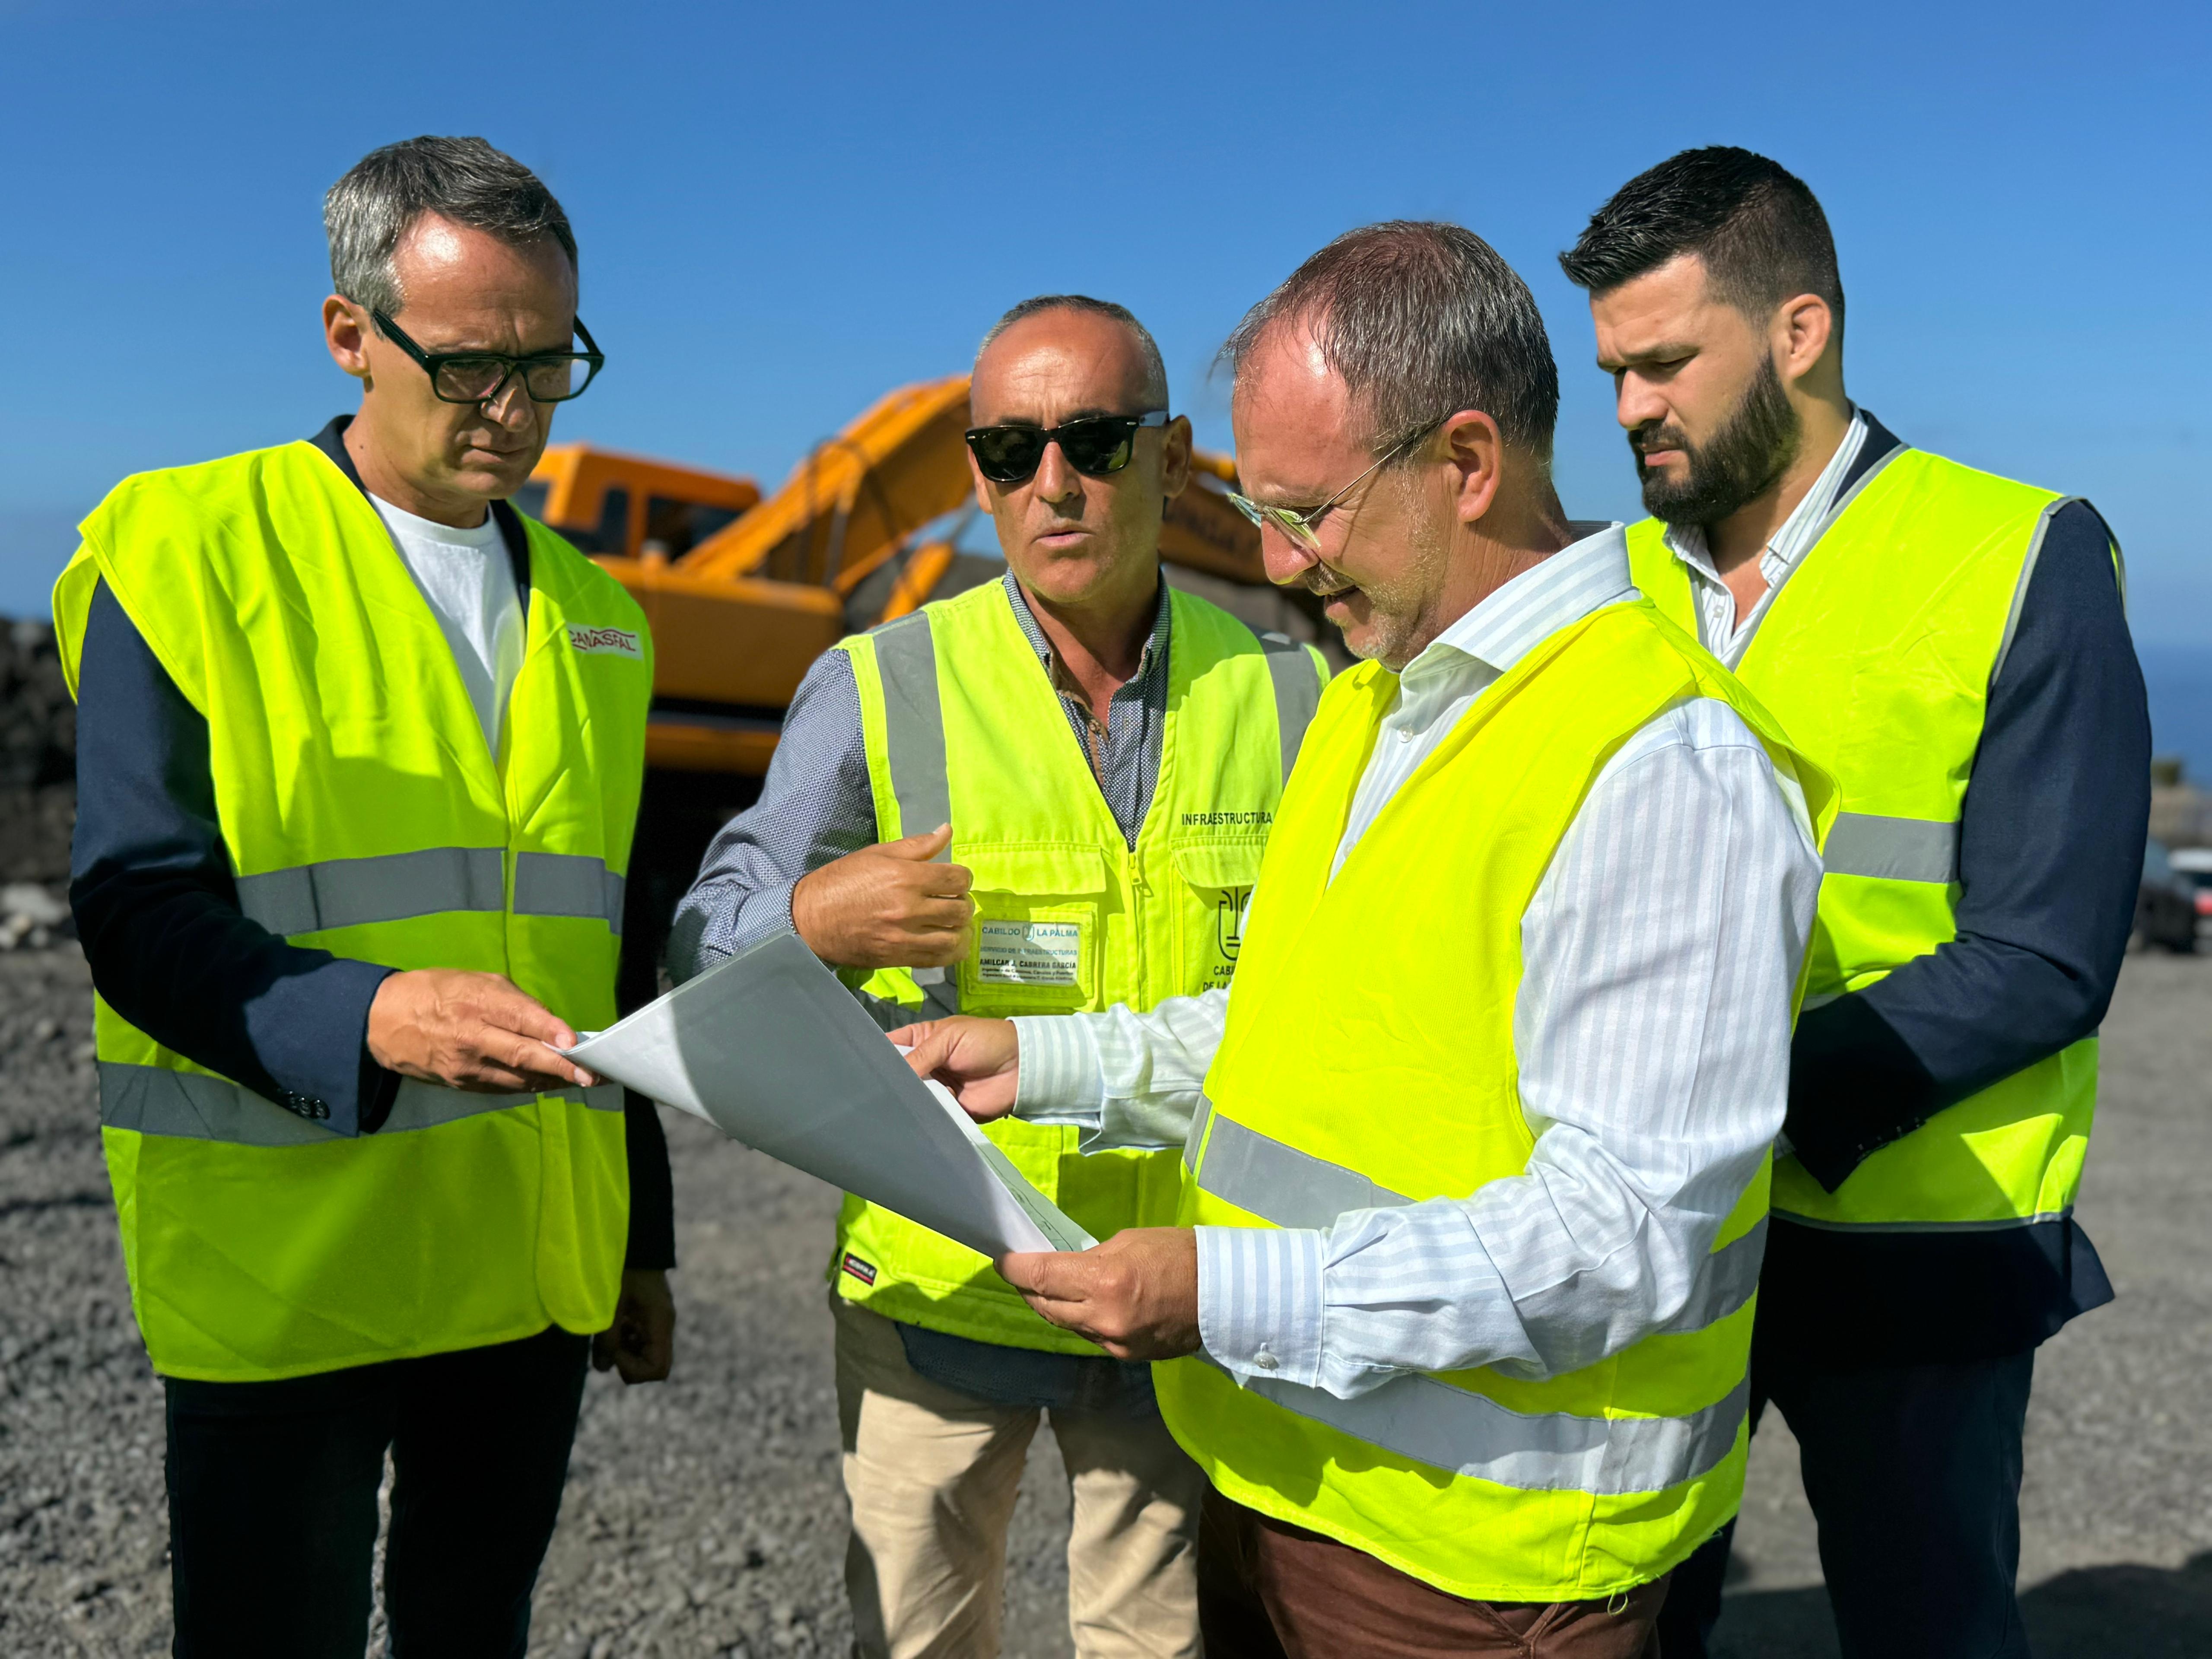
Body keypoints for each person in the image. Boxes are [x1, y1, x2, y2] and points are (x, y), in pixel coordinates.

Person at [895, 223, 1834, 1659]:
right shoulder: (1370, 702)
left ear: (1466, 464)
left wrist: (1225, 1290)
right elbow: (1284, 1026)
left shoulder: (1662, 760)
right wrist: (1050, 1057)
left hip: (1484, 1567)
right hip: (1278, 1480)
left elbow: (1628, 1236)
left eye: (1308, 511)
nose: (1274, 559)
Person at [54, 135, 676, 1658]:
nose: (516, 411)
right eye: (472, 368)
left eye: (550, 363)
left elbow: (606, 951)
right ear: (350, 334)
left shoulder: (601, 616)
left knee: (477, 1632)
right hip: (294, 1275)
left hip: (528, 1270)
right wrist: (378, 1016)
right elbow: (136, 909)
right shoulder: (183, 546)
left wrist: (638, 1236)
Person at [1555, 147, 2150, 1659]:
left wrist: (1737, 1096)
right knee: (1623, 1624)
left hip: (1916, 1250)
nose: (1630, 409)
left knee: (1926, 1633)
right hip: (1655, 1241)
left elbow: (2044, 956)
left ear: (1801, 331)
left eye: (1665, 363)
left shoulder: (2020, 554)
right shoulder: (1602, 584)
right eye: (1614, 370)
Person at [670, 295, 1326, 1659]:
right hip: (938, 1299)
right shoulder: (878, 681)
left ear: (1175, 455)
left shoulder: (1291, 694)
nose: (1052, 483)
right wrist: (808, 912)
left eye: (1093, 439)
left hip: (1174, 1294)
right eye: (1009, 450)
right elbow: (702, 944)